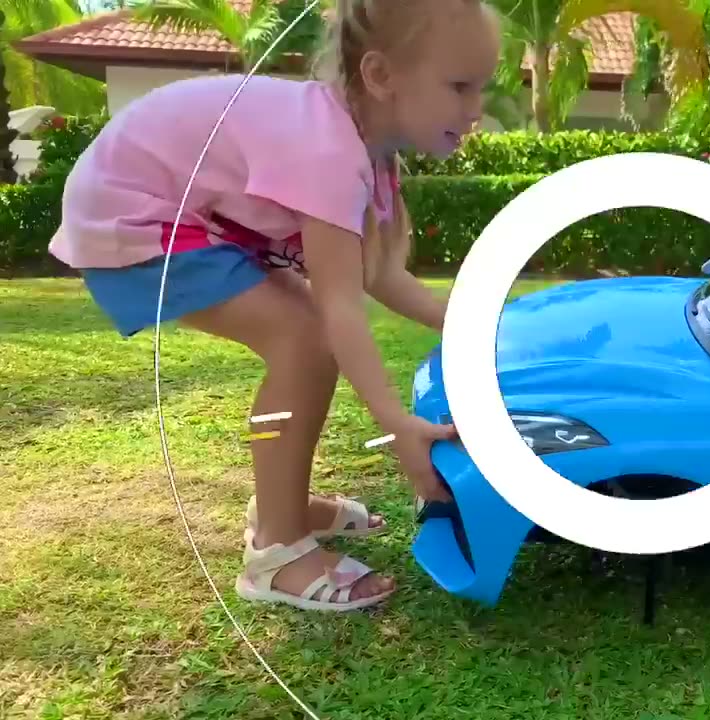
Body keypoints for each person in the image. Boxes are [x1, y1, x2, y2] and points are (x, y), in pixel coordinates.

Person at [47, 0, 501, 611]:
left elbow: (380, 276)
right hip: (130, 215)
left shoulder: (367, 151)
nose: (476, 110)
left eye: (483, 88)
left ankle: (282, 503)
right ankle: (276, 553)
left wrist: (486, 325)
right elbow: (342, 309)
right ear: (381, 76)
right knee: (307, 340)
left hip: (176, 212)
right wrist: (398, 425)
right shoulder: (328, 150)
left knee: (309, 336)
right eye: (458, 86)